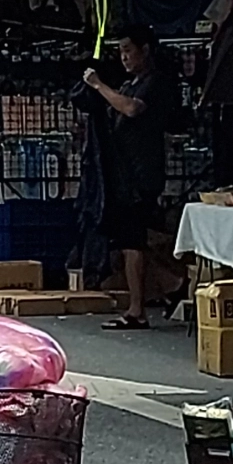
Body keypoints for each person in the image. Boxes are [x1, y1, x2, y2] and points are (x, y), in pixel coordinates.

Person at [82, 25, 181, 327]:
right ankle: (174, 284)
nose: (124, 56)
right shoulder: (132, 82)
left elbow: (131, 109)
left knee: (133, 240)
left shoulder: (155, 83)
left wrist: (99, 85)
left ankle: (137, 309)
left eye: (128, 49)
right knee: (130, 240)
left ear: (145, 50)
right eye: (121, 51)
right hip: (124, 174)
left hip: (141, 174)